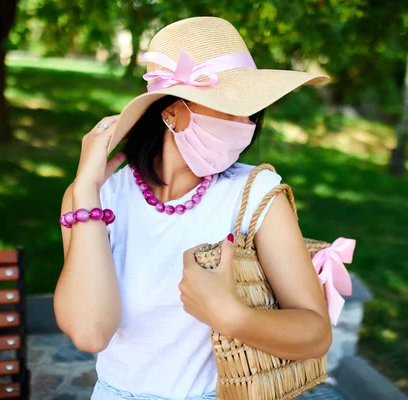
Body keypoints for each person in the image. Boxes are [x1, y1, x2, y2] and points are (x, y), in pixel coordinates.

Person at [54, 16, 332, 400]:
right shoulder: (98, 198)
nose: (245, 124)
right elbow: (89, 332)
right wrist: (85, 188)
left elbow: (316, 334)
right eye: (228, 107)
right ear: (170, 112)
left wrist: (232, 316)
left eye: (251, 111)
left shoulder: (257, 195)